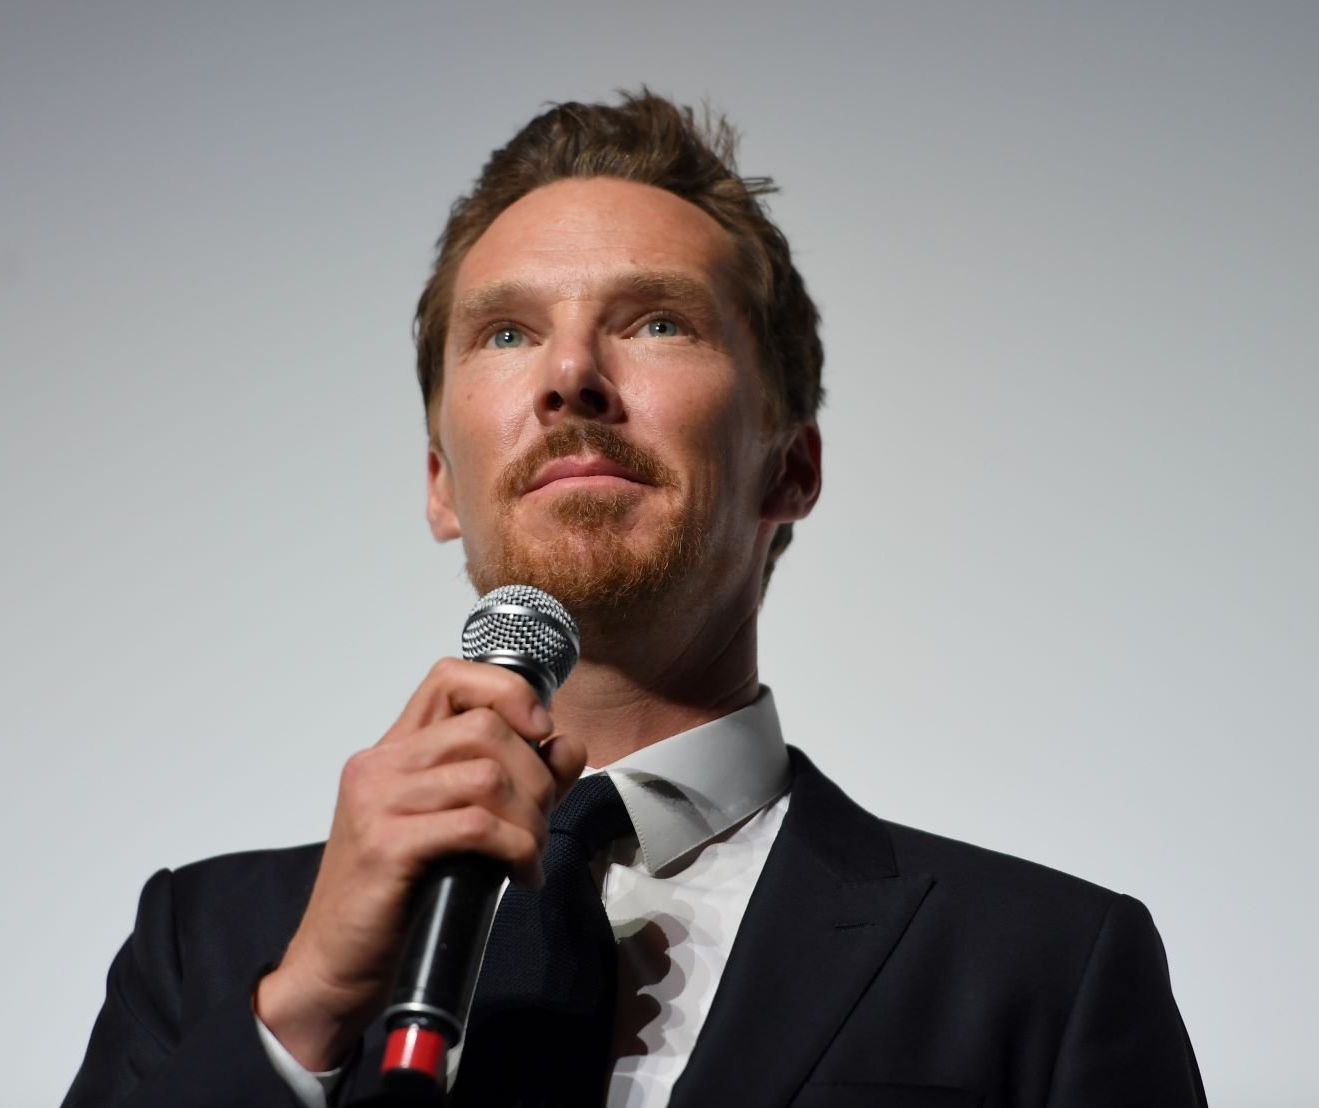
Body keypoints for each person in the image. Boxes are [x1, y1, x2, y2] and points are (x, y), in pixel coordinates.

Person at [62, 91, 1207, 1108]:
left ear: (791, 467)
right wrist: (299, 1018)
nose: (571, 377)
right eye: (507, 332)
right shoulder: (211, 952)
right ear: (439, 483)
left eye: (656, 320)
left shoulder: (1043, 966)